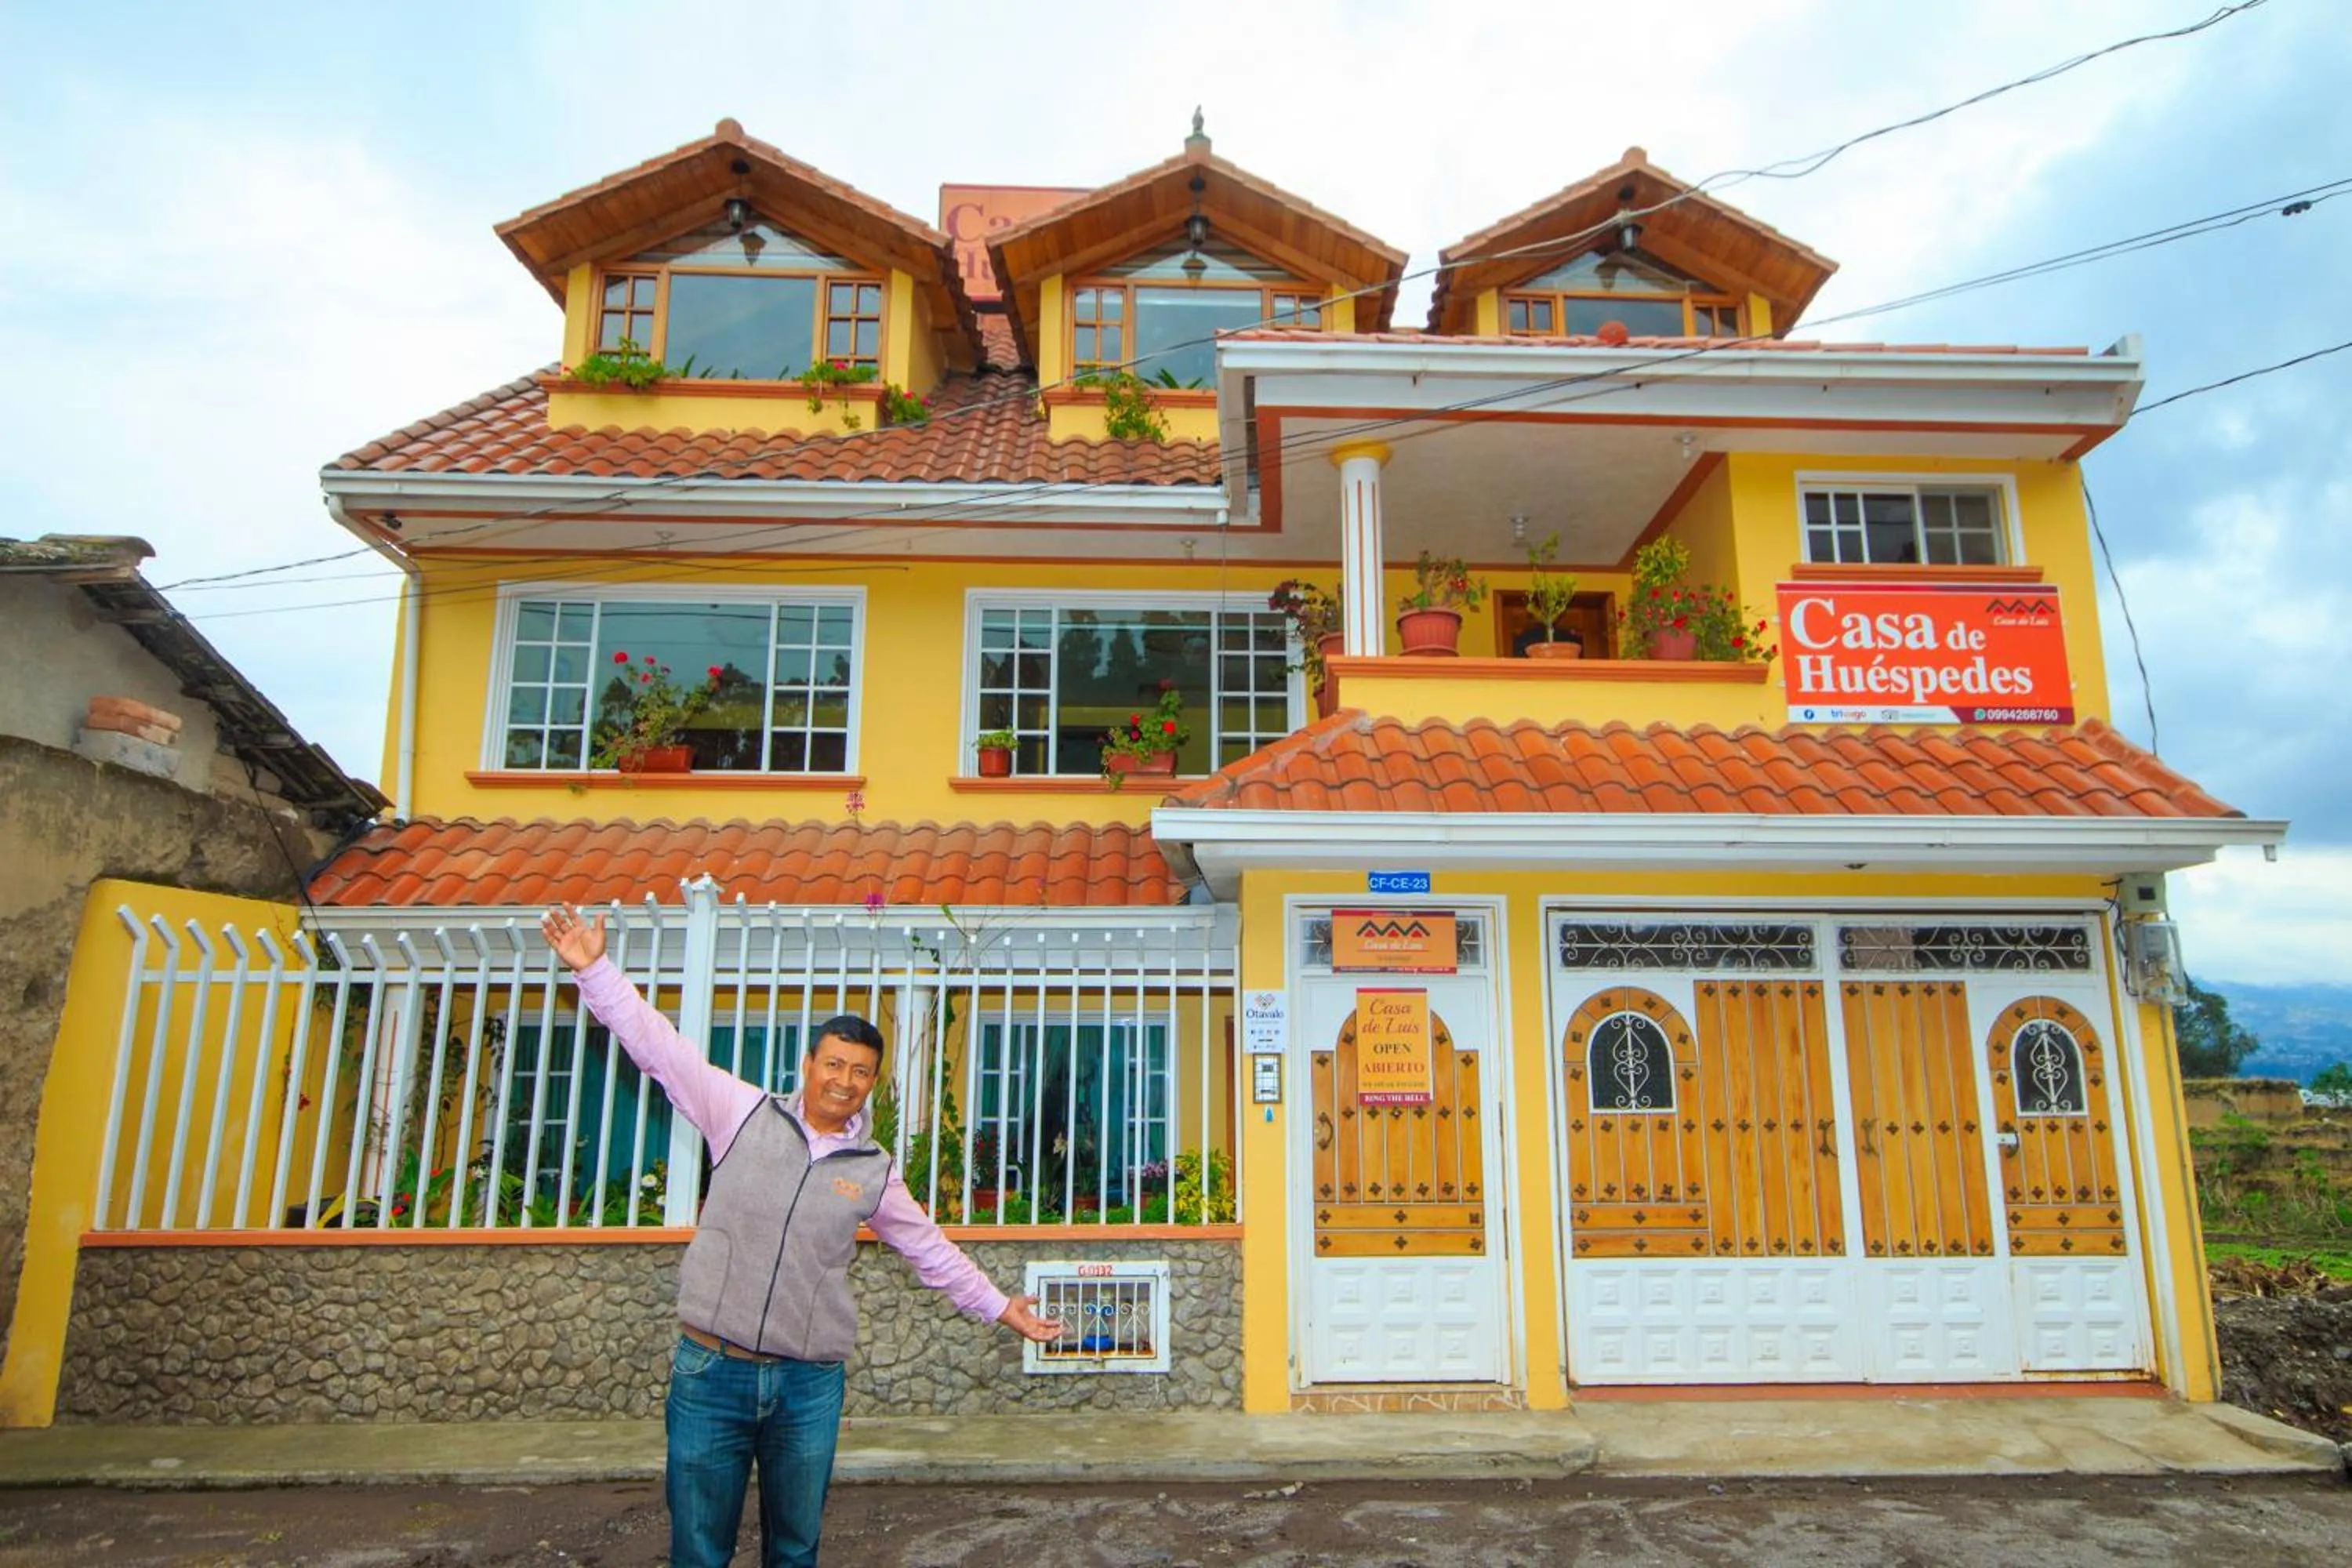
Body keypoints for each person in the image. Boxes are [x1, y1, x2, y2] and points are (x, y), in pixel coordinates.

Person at [539, 902, 1061, 1568]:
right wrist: (595, 972)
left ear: (873, 1082)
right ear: (809, 1063)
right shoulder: (739, 1112)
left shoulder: (873, 1172)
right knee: (698, 1551)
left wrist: (1000, 1306)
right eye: (834, 1064)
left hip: (807, 1386)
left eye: (861, 1072)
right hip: (710, 1371)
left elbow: (928, 1248)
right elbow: (658, 1046)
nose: (844, 1081)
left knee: (795, 1550)